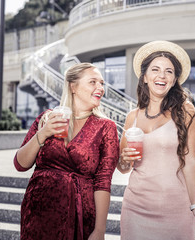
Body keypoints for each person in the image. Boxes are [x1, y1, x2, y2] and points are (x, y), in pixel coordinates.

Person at [13, 63, 119, 240]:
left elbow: (103, 181)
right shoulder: (47, 118)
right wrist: (43, 133)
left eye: (102, 83)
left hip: (80, 213)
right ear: (73, 86)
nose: (100, 88)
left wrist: (100, 230)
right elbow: (20, 165)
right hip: (38, 211)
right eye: (93, 82)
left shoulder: (106, 127)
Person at [117, 40, 195, 239]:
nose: (162, 75)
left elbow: (191, 160)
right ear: (144, 77)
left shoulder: (185, 111)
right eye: (156, 69)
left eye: (169, 71)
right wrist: (124, 159)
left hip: (176, 208)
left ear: (175, 79)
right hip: (136, 207)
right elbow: (124, 167)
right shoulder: (132, 118)